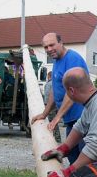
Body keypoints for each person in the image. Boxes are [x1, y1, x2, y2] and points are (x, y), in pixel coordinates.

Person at [32, 33, 89, 164]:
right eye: (45, 47)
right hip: (71, 121)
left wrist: (57, 117)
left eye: (52, 45)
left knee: (85, 158)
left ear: (61, 42)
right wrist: (44, 113)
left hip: (83, 121)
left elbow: (72, 92)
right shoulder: (57, 62)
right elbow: (55, 89)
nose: (49, 49)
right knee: (72, 156)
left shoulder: (73, 59)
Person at [43, 70, 62, 143]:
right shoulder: (55, 84)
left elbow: (47, 96)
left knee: (51, 121)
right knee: (54, 121)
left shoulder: (49, 84)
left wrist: (46, 105)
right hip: (56, 105)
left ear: (49, 76)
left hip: (50, 106)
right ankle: (57, 137)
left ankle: (56, 138)